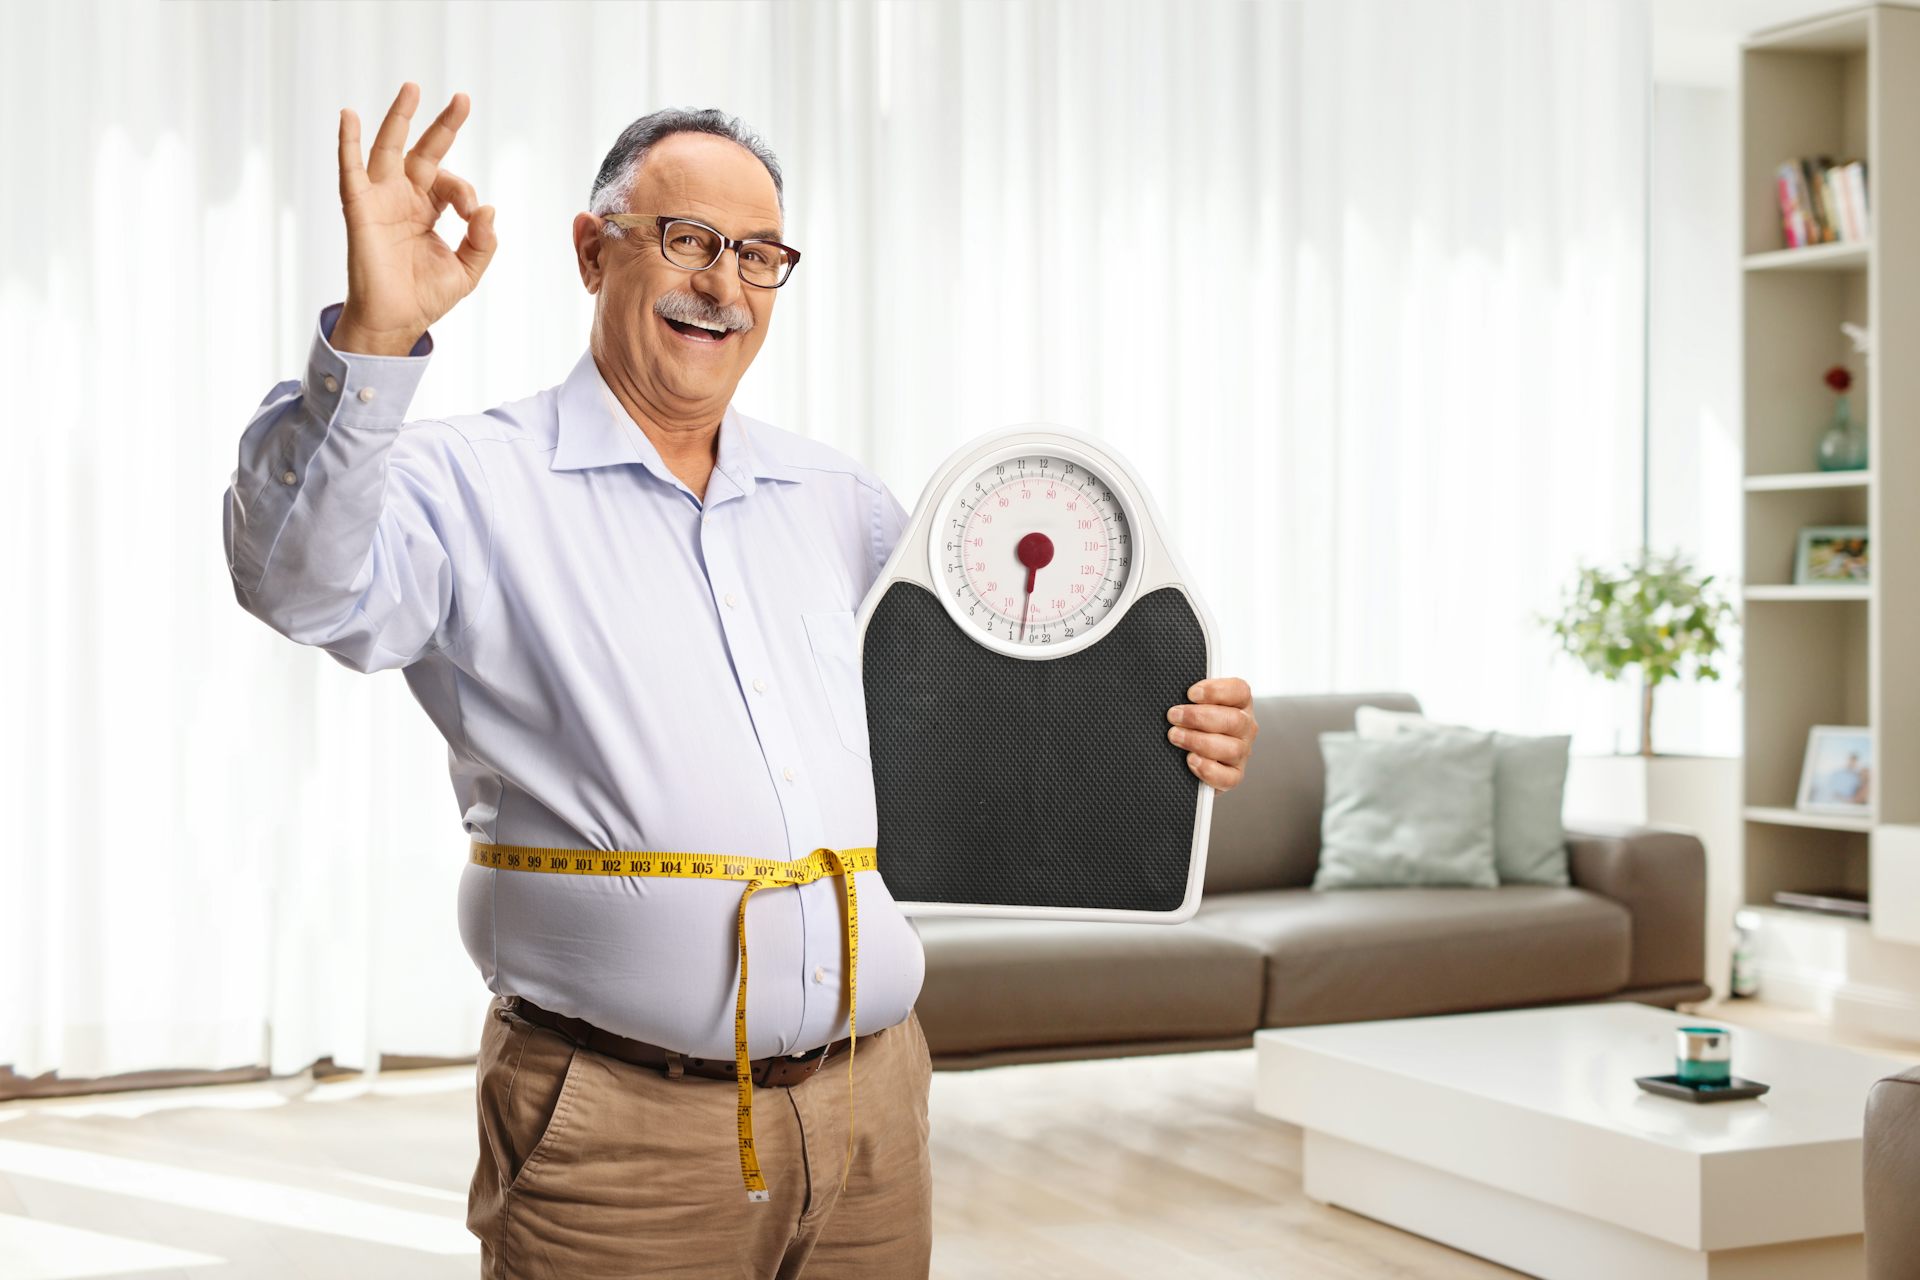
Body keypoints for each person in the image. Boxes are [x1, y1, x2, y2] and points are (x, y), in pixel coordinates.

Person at [221, 82, 1260, 1278]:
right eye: (689, 240)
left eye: (759, 254)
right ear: (591, 250)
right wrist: (373, 338)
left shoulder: (844, 502)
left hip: (873, 1112)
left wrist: (1166, 736)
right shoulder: (470, 482)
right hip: (619, 1137)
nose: (724, 283)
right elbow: (300, 585)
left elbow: (977, 744)